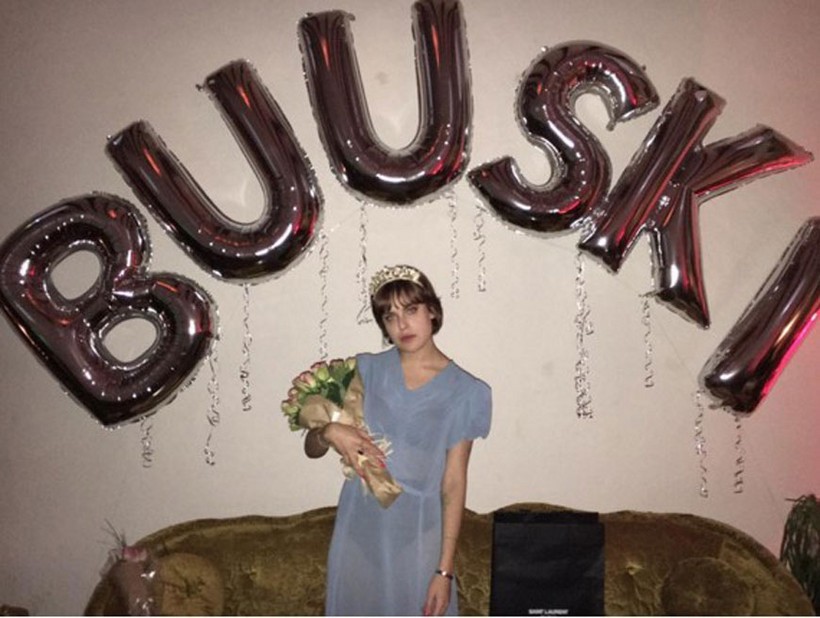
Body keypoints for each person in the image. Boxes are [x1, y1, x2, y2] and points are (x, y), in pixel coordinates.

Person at [304, 264, 491, 616]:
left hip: (418, 535)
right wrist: (329, 431)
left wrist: (444, 571)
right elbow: (310, 448)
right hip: (359, 531)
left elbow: (453, 483)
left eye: (411, 310)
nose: (402, 324)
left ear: (432, 311)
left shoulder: (466, 392)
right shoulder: (365, 371)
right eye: (390, 316)